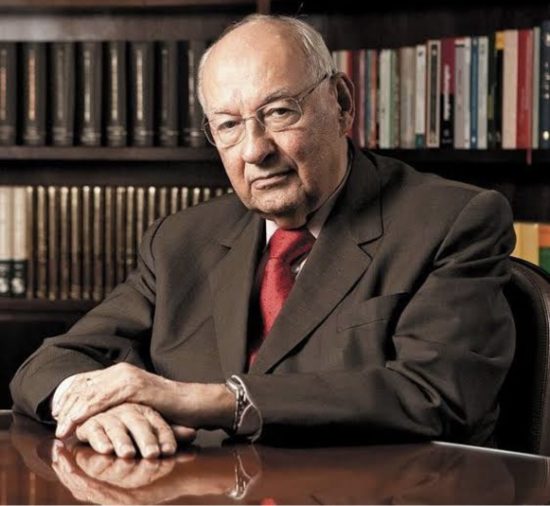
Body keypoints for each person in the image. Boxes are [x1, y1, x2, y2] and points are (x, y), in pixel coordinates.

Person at [10, 14, 515, 459]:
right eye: (228, 125)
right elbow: (52, 362)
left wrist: (211, 400)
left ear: (341, 103)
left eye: (278, 112)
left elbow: (436, 395)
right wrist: (91, 406)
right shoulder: (180, 241)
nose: (254, 150)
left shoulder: (452, 220)